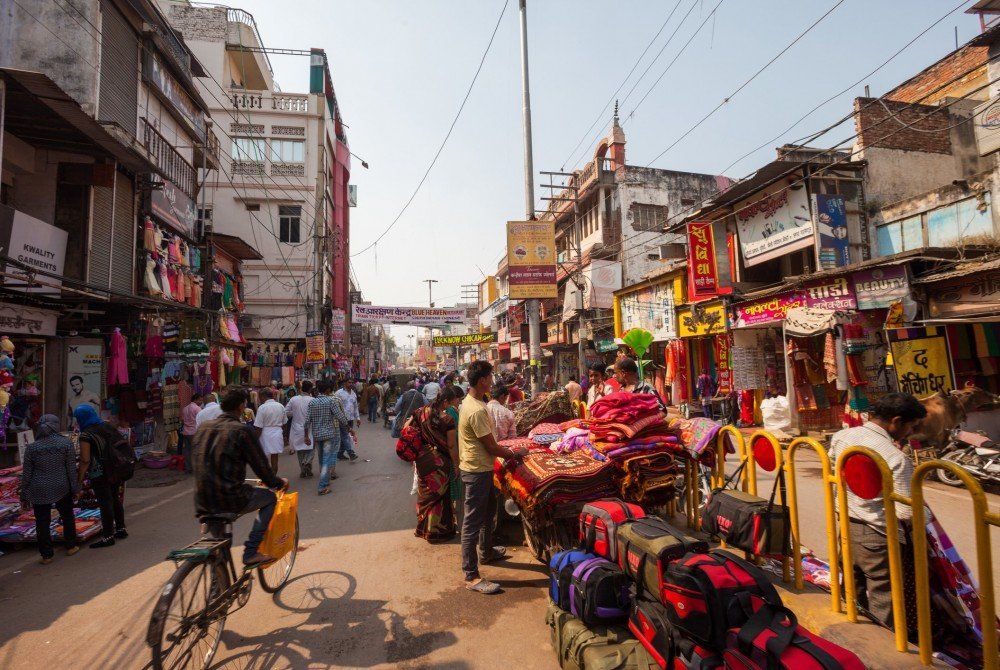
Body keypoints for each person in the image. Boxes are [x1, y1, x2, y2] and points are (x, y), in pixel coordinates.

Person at [829, 392, 926, 631]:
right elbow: (905, 512)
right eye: (910, 427)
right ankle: (884, 643)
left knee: (852, 587)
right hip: (879, 535)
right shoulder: (896, 457)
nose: (910, 433)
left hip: (848, 527)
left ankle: (851, 631)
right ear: (896, 421)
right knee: (885, 592)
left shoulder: (842, 437)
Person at [192, 387, 288, 566]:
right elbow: (262, 469)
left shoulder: (203, 428)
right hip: (230, 497)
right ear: (242, 406)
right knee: (269, 498)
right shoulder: (241, 431)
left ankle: (217, 585)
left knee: (221, 548)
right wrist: (278, 482)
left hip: (202, 499)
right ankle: (251, 551)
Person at [458, 360, 529, 594]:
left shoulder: (474, 402)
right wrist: (513, 453)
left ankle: (486, 552)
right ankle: (471, 575)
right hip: (476, 470)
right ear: (482, 381)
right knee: (472, 522)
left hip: (481, 468)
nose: (492, 381)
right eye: (490, 377)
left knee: (489, 512)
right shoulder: (477, 409)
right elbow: (491, 446)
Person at [20, 414, 79, 564]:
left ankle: (47, 555)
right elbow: (71, 470)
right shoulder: (66, 444)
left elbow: (27, 474)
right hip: (62, 485)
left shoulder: (32, 448)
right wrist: (75, 489)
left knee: (42, 521)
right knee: (67, 516)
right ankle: (71, 546)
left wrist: (24, 494)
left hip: (39, 488)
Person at [410, 386, 462, 543]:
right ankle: (438, 531)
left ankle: (423, 529)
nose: (454, 405)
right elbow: (452, 446)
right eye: (453, 402)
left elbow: (407, 429)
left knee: (425, 494)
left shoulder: (420, 412)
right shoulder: (447, 420)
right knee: (440, 497)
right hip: (440, 462)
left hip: (423, 459)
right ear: (445, 402)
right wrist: (456, 465)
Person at [73, 404, 127, 549]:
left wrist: (79, 480)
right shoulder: (107, 426)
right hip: (115, 468)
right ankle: (121, 529)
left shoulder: (86, 435)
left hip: (100, 472)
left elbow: (85, 459)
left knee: (105, 502)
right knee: (115, 498)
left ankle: (108, 536)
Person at [304, 380, 354, 495]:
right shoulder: (331, 401)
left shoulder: (312, 402)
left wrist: (306, 436)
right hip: (329, 435)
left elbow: (307, 421)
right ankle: (322, 486)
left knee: (322, 459)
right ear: (327, 390)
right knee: (326, 460)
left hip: (317, 435)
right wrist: (349, 428)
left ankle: (325, 481)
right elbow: (341, 417)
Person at [253, 388, 287, 475]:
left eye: (260, 397)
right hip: (277, 432)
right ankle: (273, 477)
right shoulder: (280, 406)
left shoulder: (262, 408)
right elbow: (284, 423)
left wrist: (255, 440)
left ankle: (267, 478)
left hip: (265, 434)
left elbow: (258, 427)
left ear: (263, 396)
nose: (259, 399)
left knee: (263, 457)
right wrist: (283, 435)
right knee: (275, 458)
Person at [285, 380, 315, 478]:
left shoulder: (293, 399)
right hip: (309, 428)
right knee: (311, 448)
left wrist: (295, 414)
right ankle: (307, 462)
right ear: (310, 389)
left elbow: (286, 412)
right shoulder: (312, 400)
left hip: (296, 428)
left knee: (300, 450)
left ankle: (303, 471)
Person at [335, 378, 360, 461]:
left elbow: (355, 407)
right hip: (342, 418)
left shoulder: (353, 393)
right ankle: (351, 453)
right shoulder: (338, 393)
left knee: (345, 436)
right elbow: (335, 406)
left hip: (350, 419)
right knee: (346, 435)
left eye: (352, 382)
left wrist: (358, 418)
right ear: (345, 383)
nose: (351, 384)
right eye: (349, 382)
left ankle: (340, 454)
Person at [179, 393, 203, 473]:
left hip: (186, 432)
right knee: (196, 450)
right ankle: (195, 468)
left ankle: (188, 467)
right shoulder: (197, 408)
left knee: (187, 450)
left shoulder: (185, 408)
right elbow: (200, 420)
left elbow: (182, 420)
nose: (201, 402)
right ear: (195, 399)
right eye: (200, 400)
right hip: (194, 432)